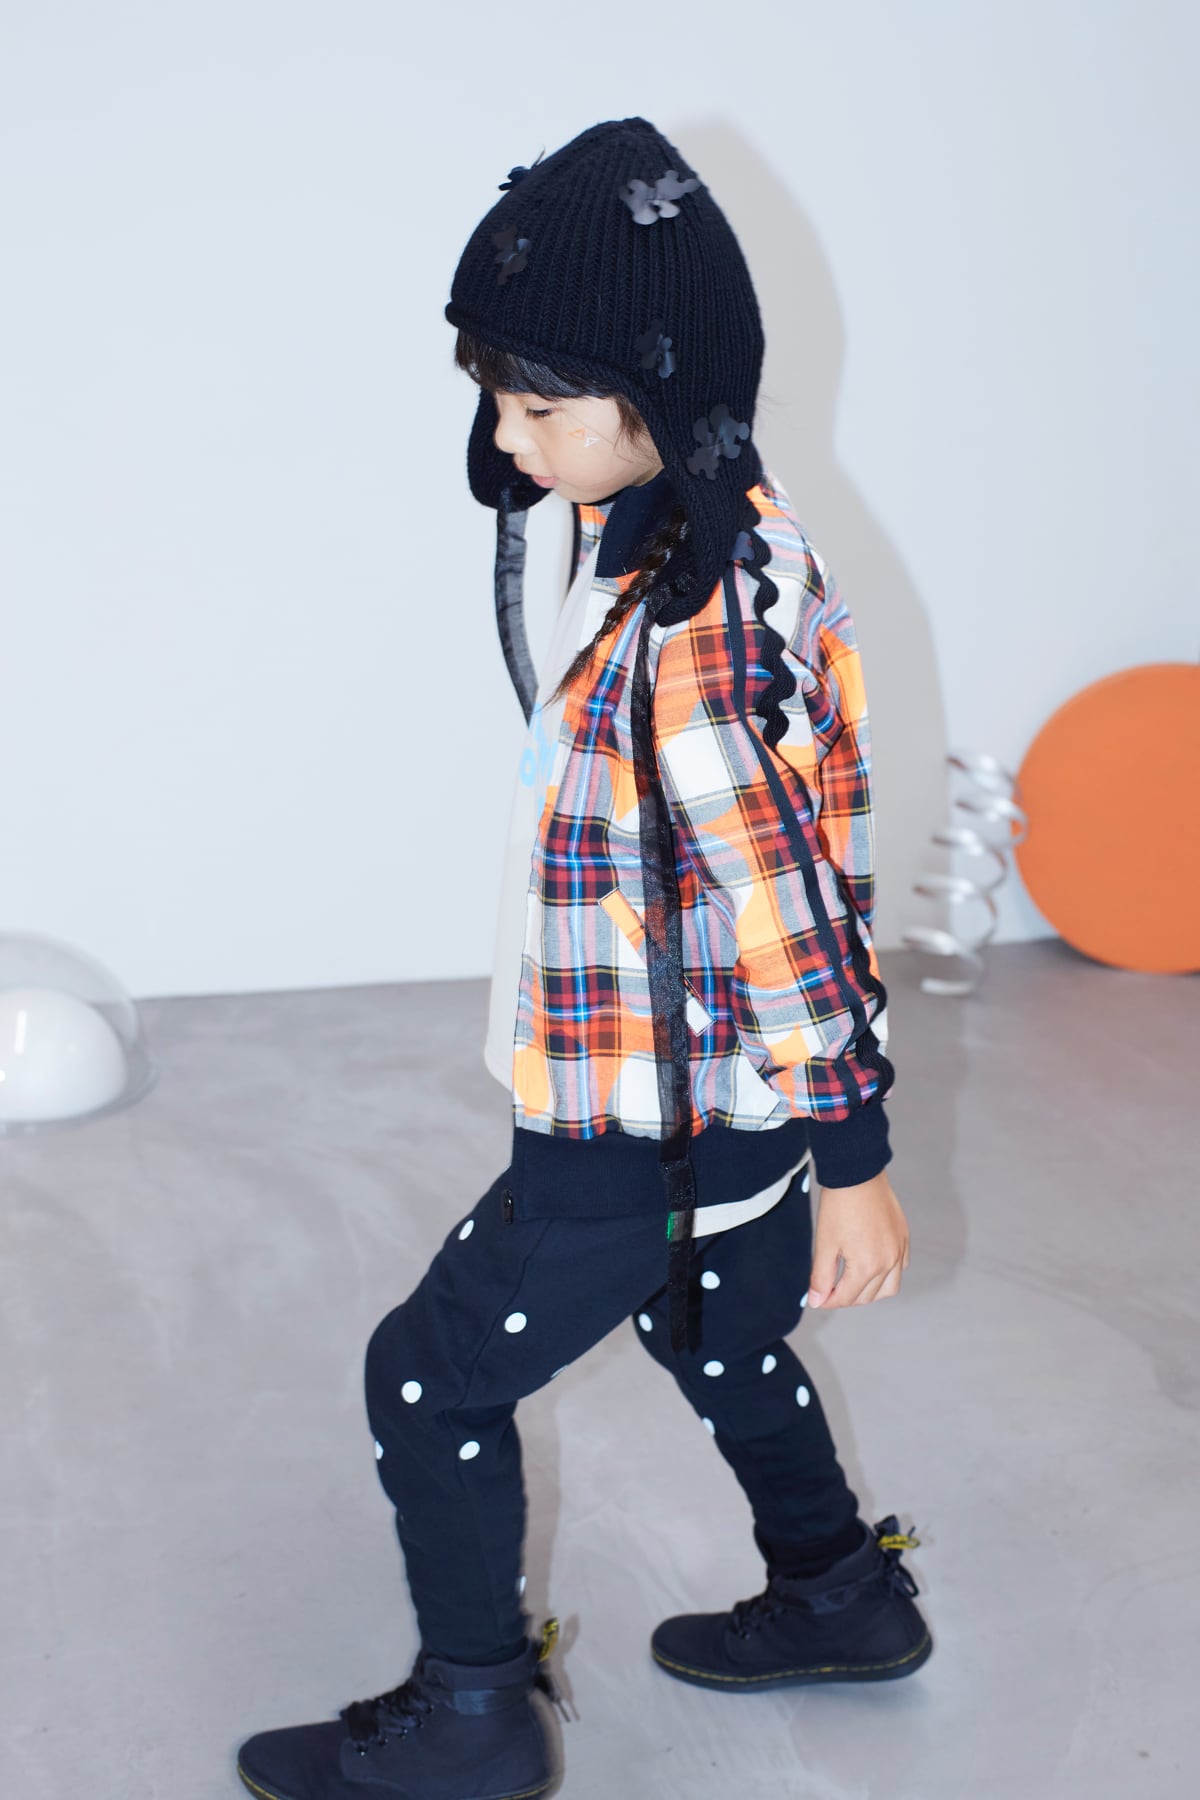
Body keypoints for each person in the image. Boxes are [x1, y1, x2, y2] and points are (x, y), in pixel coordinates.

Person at [235, 116, 931, 1800]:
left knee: (428, 1377)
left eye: (542, 406)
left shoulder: (694, 632)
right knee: (713, 1334)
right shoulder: (706, 527)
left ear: (663, 393)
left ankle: (475, 1718)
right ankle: (840, 1595)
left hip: (643, 1120)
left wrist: (855, 1157)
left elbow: (780, 906)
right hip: (722, 1104)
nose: (508, 435)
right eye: (495, 398)